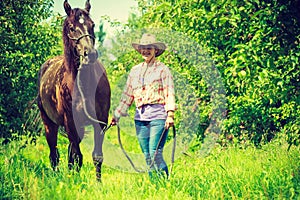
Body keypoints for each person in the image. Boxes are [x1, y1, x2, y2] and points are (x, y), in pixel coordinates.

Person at [111, 33, 176, 179]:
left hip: (158, 116)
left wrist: (170, 114)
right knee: (147, 155)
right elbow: (127, 95)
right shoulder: (134, 71)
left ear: (155, 50)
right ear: (140, 50)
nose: (146, 51)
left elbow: (169, 91)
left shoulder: (163, 69)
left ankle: (165, 183)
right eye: (143, 48)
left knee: (154, 152)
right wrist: (117, 115)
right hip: (140, 117)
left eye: (149, 48)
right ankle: (155, 186)